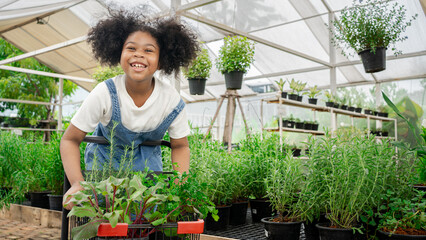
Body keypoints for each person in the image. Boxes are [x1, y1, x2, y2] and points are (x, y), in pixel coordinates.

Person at [60, 10, 199, 210]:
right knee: (105, 223)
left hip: (148, 183)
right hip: (104, 178)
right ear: (119, 54)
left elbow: (180, 146)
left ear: (161, 62)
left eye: (149, 50)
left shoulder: (171, 101)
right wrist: (76, 183)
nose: (139, 54)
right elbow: (70, 139)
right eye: (131, 48)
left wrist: (180, 188)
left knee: (144, 224)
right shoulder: (105, 93)